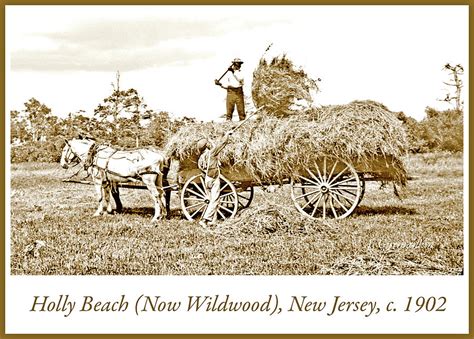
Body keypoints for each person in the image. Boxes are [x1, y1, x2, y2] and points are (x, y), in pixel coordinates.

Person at [196, 131, 232, 228]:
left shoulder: (200, 158)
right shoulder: (211, 153)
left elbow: (202, 170)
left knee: (211, 200)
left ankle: (212, 221)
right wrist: (227, 135)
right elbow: (222, 144)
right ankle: (204, 220)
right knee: (215, 200)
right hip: (213, 178)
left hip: (207, 180)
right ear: (206, 146)